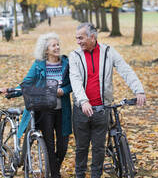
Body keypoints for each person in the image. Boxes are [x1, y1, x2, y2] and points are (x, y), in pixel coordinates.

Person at [69, 22, 146, 178]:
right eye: (76, 38)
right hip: (81, 110)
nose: (78, 41)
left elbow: (125, 70)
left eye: (81, 38)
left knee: (99, 149)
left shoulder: (108, 52)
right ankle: (79, 175)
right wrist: (84, 101)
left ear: (92, 37)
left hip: (102, 109)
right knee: (81, 148)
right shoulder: (74, 55)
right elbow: (75, 80)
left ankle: (96, 176)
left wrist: (138, 90)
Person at [0, 32, 72, 178]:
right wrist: (11, 91)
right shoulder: (39, 65)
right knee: (49, 145)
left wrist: (63, 90)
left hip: (62, 110)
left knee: (63, 145)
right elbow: (27, 83)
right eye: (53, 45)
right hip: (45, 110)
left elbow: (72, 84)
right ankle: (54, 174)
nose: (57, 47)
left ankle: (54, 169)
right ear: (46, 50)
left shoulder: (66, 63)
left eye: (58, 44)